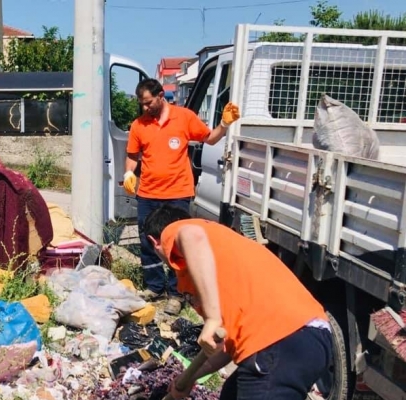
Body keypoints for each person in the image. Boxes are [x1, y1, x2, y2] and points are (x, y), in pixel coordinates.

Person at [141, 204, 333, 400]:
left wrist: (212, 318)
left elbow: (191, 235)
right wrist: (190, 378)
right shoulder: (221, 251)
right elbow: (226, 345)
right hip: (311, 338)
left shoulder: (180, 230)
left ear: (154, 242)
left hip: (276, 340)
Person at [123, 78, 240, 315]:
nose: (145, 108)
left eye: (148, 103)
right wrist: (128, 172)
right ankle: (155, 286)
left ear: (160, 95)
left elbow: (210, 138)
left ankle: (177, 294)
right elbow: (133, 155)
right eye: (142, 104)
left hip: (178, 193)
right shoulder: (139, 125)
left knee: (178, 246)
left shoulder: (184, 117)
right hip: (148, 193)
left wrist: (224, 125)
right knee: (149, 242)